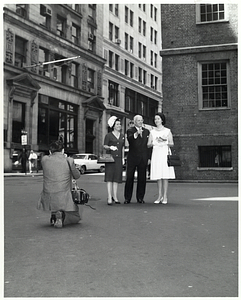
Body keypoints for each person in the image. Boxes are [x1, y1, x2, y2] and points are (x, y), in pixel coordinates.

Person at [37, 139, 83, 228]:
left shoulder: (44, 159)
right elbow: (77, 176)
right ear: (63, 150)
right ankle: (60, 213)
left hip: (48, 194)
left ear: (50, 151)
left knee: (54, 192)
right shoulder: (69, 160)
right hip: (64, 195)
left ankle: (54, 214)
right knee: (75, 218)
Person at [147, 112, 175, 204]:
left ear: (162, 120)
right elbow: (148, 144)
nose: (156, 121)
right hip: (156, 153)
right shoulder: (152, 132)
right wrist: (154, 142)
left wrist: (165, 141)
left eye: (158, 119)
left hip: (164, 153)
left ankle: (165, 196)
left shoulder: (167, 131)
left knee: (165, 175)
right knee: (158, 175)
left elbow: (172, 143)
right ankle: (159, 196)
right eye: (155, 119)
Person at [124, 115, 151, 204]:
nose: (140, 122)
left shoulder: (147, 131)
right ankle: (127, 198)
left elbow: (148, 146)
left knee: (142, 179)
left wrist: (149, 157)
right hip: (132, 158)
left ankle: (140, 197)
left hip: (143, 158)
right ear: (134, 121)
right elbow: (130, 140)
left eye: (141, 120)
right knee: (129, 178)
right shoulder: (130, 131)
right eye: (138, 120)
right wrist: (136, 134)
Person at [103, 116, 125, 205]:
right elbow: (104, 146)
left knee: (116, 178)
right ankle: (109, 196)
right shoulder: (108, 135)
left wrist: (123, 158)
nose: (119, 126)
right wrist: (110, 147)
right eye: (117, 124)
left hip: (119, 159)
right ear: (113, 126)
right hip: (110, 159)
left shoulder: (122, 136)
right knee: (109, 178)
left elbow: (123, 148)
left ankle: (115, 196)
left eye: (120, 124)